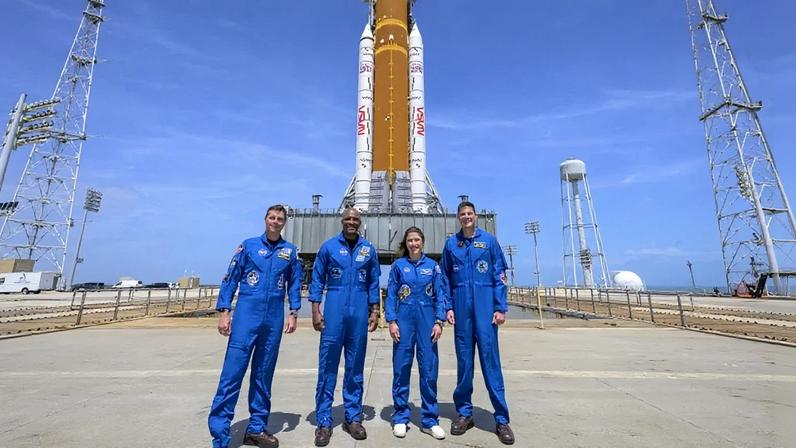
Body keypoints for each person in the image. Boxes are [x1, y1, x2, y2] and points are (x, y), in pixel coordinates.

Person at [208, 204, 303, 448]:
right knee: (232, 375)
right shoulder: (248, 246)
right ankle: (220, 435)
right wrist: (225, 311)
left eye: (279, 219)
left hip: (273, 319)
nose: (275, 221)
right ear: (265, 219)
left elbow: (294, 283)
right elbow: (231, 278)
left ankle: (256, 429)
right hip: (246, 316)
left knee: (263, 375)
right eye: (272, 217)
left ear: (284, 223)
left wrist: (293, 311)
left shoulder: (289, 252)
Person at [440, 201, 515, 445]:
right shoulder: (451, 244)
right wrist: (448, 307)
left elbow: (499, 275)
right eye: (462, 214)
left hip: (485, 309)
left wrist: (500, 307)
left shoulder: (489, 242)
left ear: (476, 216)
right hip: (461, 309)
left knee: (491, 363)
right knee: (464, 364)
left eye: (469, 213)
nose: (466, 217)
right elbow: (445, 279)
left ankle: (501, 419)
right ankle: (464, 413)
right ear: (458, 217)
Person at [309, 207, 381, 447]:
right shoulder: (328, 247)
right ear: (342, 221)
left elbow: (373, 281)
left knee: (355, 366)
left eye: (355, 219)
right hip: (334, 307)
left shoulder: (368, 249)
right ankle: (324, 421)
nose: (351, 222)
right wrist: (315, 310)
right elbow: (317, 279)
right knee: (327, 365)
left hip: (359, 310)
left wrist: (374, 310)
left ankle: (353, 417)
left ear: (360, 223)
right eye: (348, 218)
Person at [385, 226, 449, 440]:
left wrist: (439, 321)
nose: (414, 244)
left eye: (417, 240)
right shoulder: (398, 266)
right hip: (403, 320)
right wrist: (392, 321)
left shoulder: (433, 267)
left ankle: (430, 420)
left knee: (429, 370)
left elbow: (440, 294)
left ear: (423, 242)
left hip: (427, 320)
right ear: (406, 243)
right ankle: (400, 416)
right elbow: (391, 294)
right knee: (401, 368)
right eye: (410, 240)